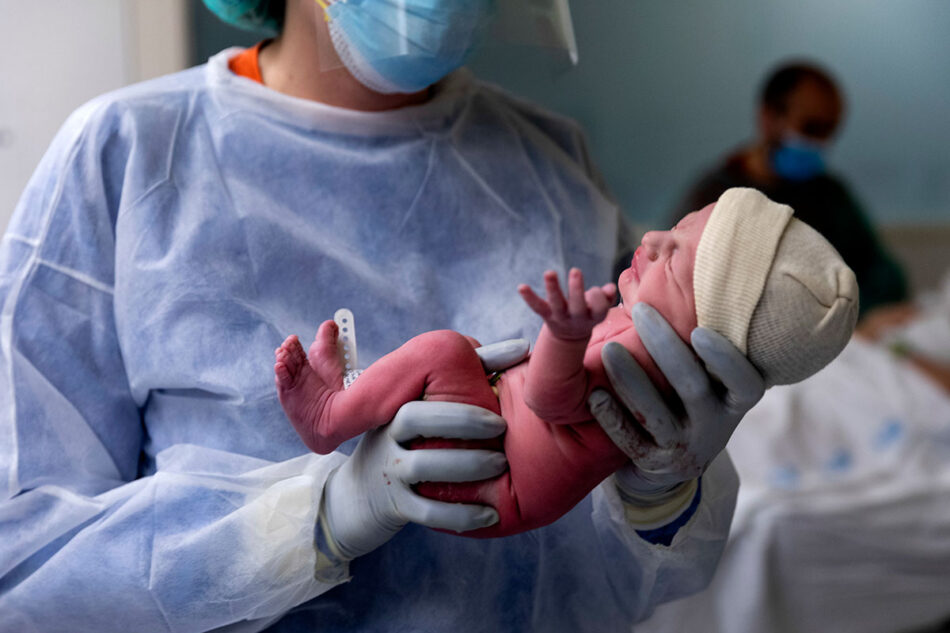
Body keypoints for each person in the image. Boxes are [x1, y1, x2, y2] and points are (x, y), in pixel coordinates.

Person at [0, 1, 766, 631]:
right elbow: (26, 562)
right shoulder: (126, 156)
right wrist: (316, 516)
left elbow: (608, 583)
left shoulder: (552, 166)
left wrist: (659, 496)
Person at [275, 188, 858, 538]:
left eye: (675, 263)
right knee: (459, 358)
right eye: (676, 227)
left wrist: (563, 336)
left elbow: (547, 400)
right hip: (481, 463)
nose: (652, 239)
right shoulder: (660, 350)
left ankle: (328, 416)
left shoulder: (643, 364)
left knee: (445, 351)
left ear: (709, 335)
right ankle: (354, 397)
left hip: (484, 483)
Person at [672, 61, 908, 318]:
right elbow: (679, 285)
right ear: (768, 118)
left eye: (829, 131)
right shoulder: (715, 196)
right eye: (811, 128)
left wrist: (854, 315)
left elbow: (883, 275)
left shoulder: (829, 193)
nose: (819, 143)